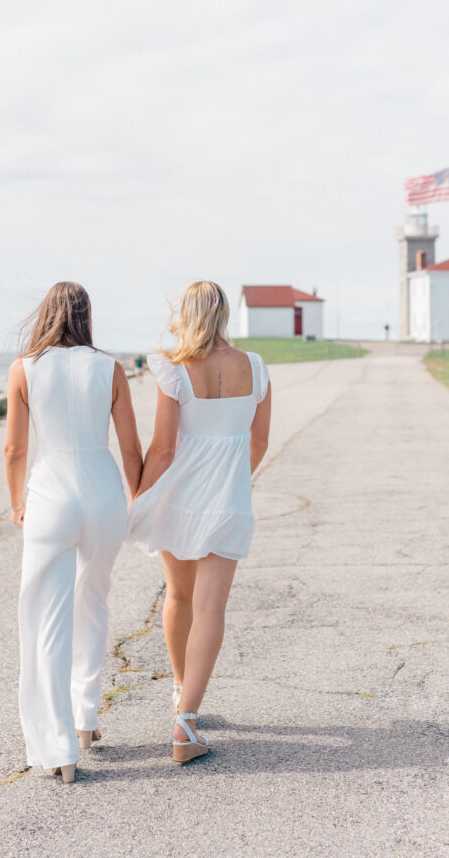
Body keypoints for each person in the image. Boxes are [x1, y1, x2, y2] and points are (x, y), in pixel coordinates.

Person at [4, 282, 142, 783]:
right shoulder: (110, 367)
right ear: (87, 315)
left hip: (50, 498)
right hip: (104, 495)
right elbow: (131, 449)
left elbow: (15, 451)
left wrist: (17, 503)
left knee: (47, 620)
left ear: (45, 315)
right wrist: (136, 499)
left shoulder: (25, 368)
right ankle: (86, 716)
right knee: (94, 601)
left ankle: (61, 747)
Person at [127, 280, 271, 763]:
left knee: (179, 596)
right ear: (225, 313)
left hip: (179, 501)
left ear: (186, 314)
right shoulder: (255, 367)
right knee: (211, 608)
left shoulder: (174, 370)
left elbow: (164, 449)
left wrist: (140, 495)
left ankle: (180, 690)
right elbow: (259, 441)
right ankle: (186, 720)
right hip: (229, 502)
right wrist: (232, 482)